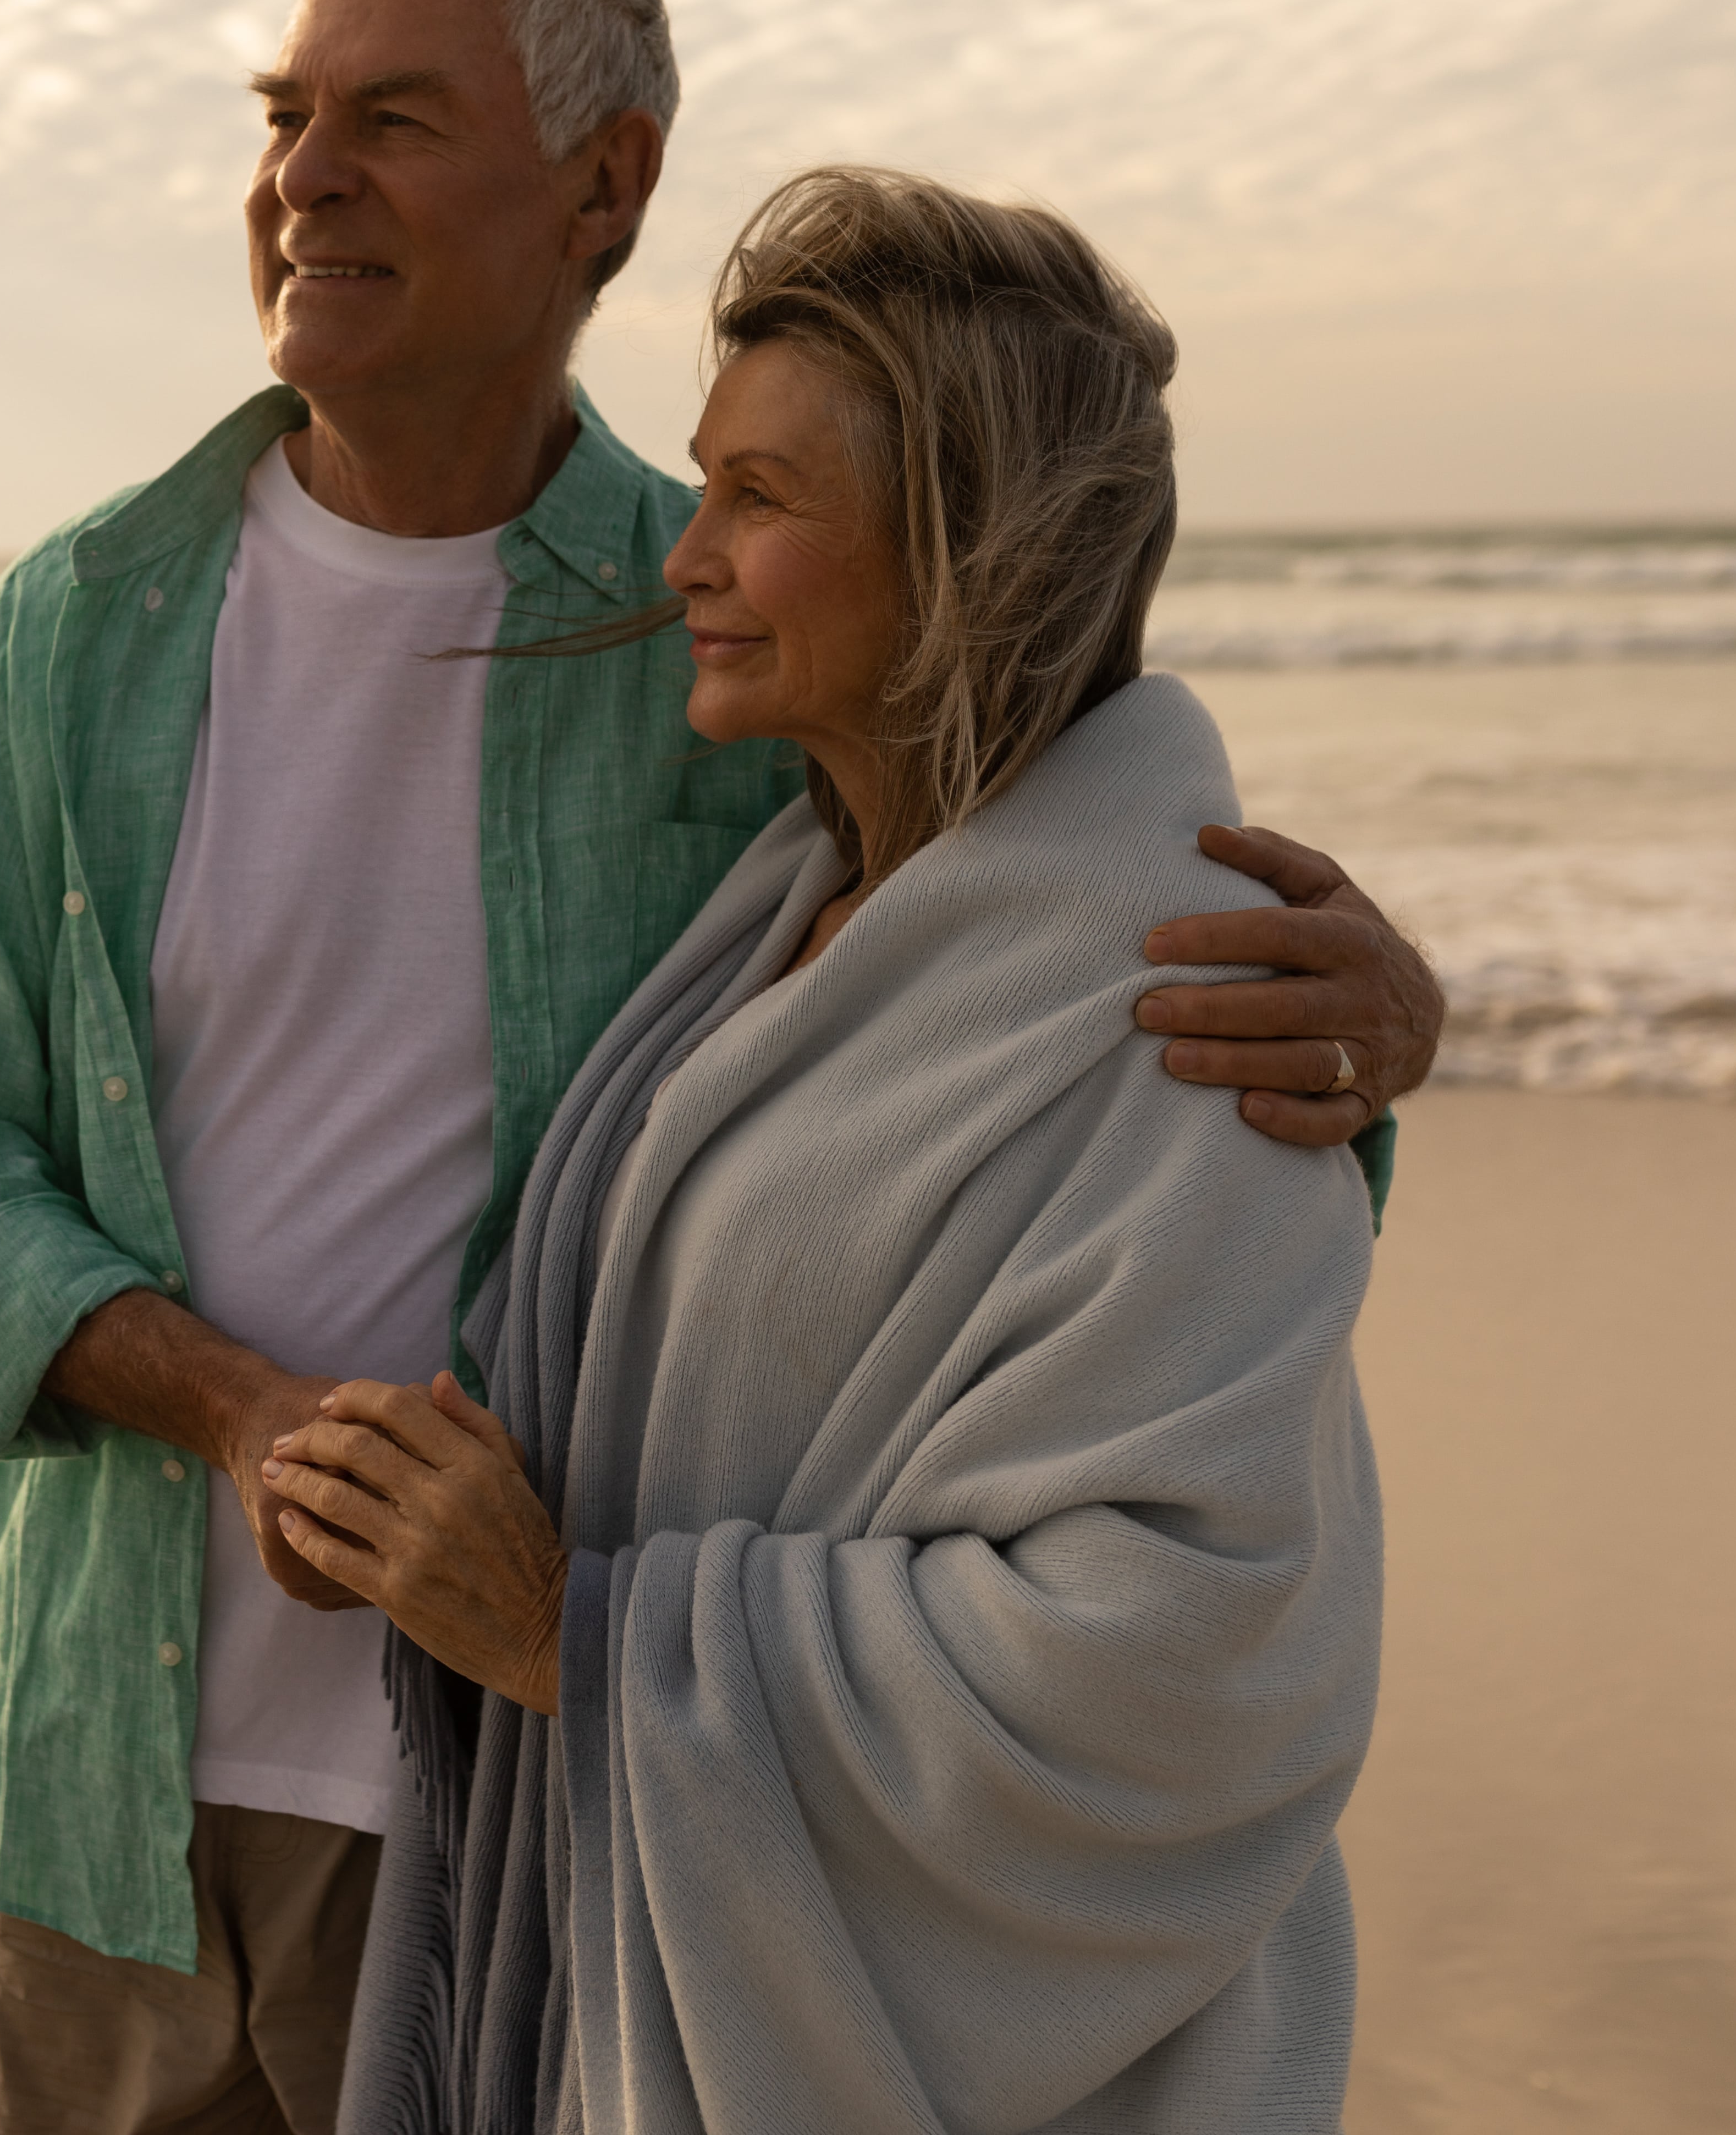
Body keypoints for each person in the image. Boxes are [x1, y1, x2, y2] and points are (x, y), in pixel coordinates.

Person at [0, 0, 1435, 2135]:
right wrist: (232, 1408)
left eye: (391, 113)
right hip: (106, 1758)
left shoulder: (735, 623)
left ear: (608, 186)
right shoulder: (70, 631)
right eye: (287, 112)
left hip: (508, 1799)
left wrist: (1366, 1024)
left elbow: (1029, 929)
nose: (304, 174)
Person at [274, 168, 1381, 2133]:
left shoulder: (1201, 1000)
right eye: (706, 484)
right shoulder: (796, 909)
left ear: (970, 553)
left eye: (762, 501)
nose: (684, 558)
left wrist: (569, 1636)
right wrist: (411, 1510)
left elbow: (1182, 1664)